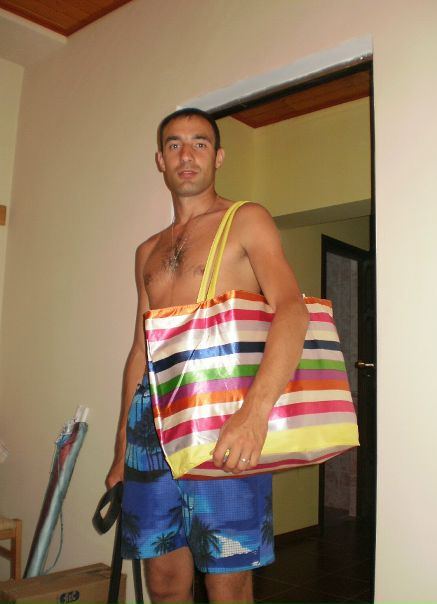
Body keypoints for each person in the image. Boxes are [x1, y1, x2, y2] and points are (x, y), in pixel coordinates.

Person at [106, 107, 309, 604]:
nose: (186, 154)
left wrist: (254, 415)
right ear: (160, 159)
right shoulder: (147, 251)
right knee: (162, 582)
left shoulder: (246, 220)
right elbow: (141, 348)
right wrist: (121, 450)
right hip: (151, 425)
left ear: (218, 157)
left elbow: (292, 310)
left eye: (199, 143)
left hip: (223, 418)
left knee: (227, 580)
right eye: (174, 144)